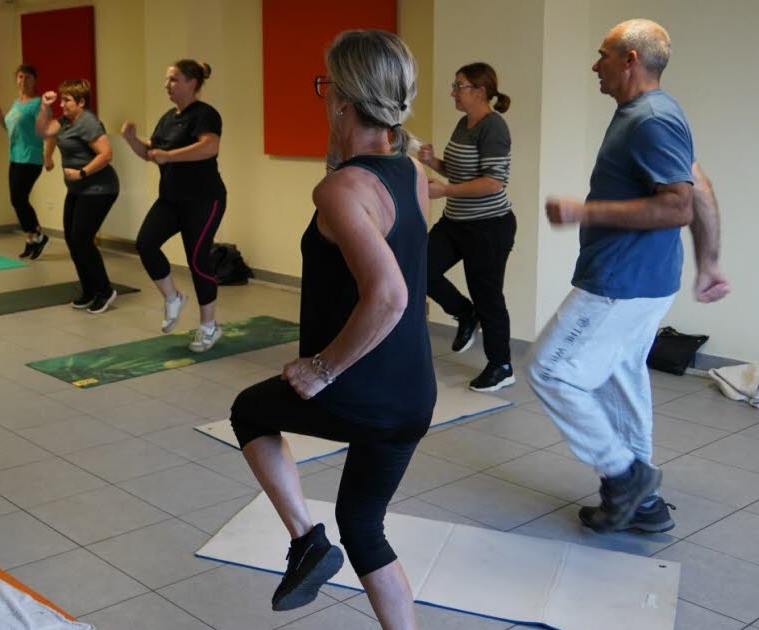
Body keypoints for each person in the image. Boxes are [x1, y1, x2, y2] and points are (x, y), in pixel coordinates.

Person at [229, 30, 432, 629]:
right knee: (365, 527)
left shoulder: (341, 190)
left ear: (343, 98)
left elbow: (389, 295)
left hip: (360, 392)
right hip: (413, 395)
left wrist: (323, 369)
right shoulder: (410, 172)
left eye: (325, 88)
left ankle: (305, 542)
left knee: (249, 411)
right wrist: (340, 142)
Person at [527, 19, 730, 535]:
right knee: (622, 381)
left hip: (621, 280)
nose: (595, 65)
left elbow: (678, 205)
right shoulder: (656, 113)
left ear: (630, 60)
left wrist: (583, 211)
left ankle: (626, 475)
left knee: (550, 370)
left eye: (603, 55)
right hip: (649, 279)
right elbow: (699, 188)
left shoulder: (650, 119)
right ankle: (644, 505)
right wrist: (708, 262)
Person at [418, 62, 516, 392]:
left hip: (488, 227)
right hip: (456, 222)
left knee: (488, 296)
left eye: (459, 86)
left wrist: (443, 190)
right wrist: (434, 164)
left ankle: (501, 365)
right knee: (420, 268)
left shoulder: (494, 128)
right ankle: (464, 314)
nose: (453, 92)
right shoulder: (464, 123)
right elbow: (462, 174)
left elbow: (492, 183)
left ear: (480, 91)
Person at [122, 59, 227, 352]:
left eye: (173, 80)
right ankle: (173, 297)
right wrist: (132, 140)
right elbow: (152, 153)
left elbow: (209, 146)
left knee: (197, 260)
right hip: (170, 200)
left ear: (192, 83)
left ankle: (209, 327)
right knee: (145, 243)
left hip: (204, 200)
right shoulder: (169, 117)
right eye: (167, 80)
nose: (166, 85)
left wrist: (171, 156)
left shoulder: (205, 115)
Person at [35, 80, 120, 314]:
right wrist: (44, 107)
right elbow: (44, 132)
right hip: (78, 190)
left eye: (67, 100)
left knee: (82, 239)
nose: (62, 104)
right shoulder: (64, 122)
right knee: (73, 240)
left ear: (81, 102)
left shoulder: (88, 122)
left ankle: (105, 290)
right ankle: (89, 290)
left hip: (100, 188)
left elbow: (107, 154)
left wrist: (82, 173)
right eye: (61, 100)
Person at [0, 64, 53, 259]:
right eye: (20, 77)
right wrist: (0, 118)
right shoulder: (17, 103)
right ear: (16, 80)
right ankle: (31, 240)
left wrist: (48, 156)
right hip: (15, 157)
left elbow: (50, 132)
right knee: (18, 200)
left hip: (31, 157)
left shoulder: (38, 104)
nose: (23, 81)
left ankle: (39, 235)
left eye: (28, 77)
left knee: (18, 199)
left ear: (34, 81)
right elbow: (13, 131)